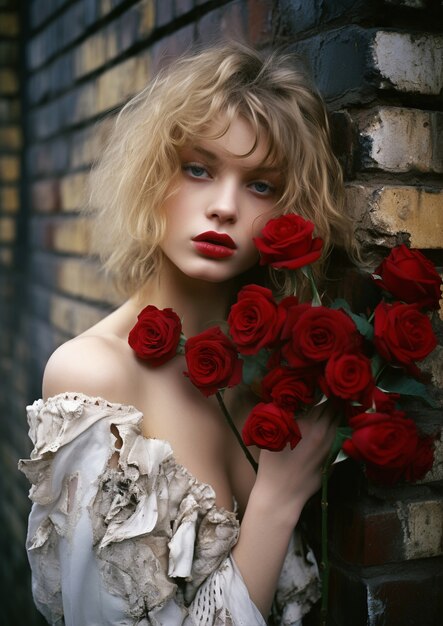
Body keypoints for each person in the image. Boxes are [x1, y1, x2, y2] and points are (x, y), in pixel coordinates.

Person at [19, 42, 356, 625]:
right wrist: (275, 502)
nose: (224, 207)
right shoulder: (93, 379)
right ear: (154, 176)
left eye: (262, 186)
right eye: (198, 169)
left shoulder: (271, 372)